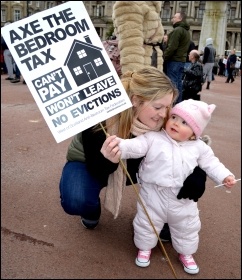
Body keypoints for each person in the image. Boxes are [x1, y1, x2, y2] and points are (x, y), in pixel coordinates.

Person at [59, 67, 207, 236]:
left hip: (138, 165)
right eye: (158, 107)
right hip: (91, 162)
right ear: (135, 100)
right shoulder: (101, 116)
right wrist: (109, 160)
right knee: (77, 199)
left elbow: (192, 145)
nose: (164, 114)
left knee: (178, 171)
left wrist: (197, 172)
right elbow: (96, 168)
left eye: (168, 106)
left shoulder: (167, 119)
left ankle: (165, 217)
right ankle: (90, 209)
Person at [102, 99, 236, 274]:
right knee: (146, 223)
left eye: (184, 122)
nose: (175, 123)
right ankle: (144, 248)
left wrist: (225, 176)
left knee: (187, 227)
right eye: (174, 117)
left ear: (195, 132)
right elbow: (135, 146)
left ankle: (186, 253)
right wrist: (119, 144)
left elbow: (212, 164)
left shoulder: (199, 148)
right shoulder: (153, 138)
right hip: (153, 195)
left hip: (182, 200)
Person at [112, 1, 164, 74]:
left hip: (152, 58)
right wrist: (133, 75)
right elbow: (130, 44)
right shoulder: (132, 3)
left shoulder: (149, 4)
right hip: (142, 62)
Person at [164, 11, 190, 104]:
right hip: (181, 60)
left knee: (172, 82)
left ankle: (172, 103)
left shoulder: (177, 30)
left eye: (174, 17)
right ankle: (178, 103)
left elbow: (172, 47)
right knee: (179, 82)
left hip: (174, 60)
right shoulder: (186, 31)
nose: (172, 19)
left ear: (180, 19)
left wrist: (164, 56)